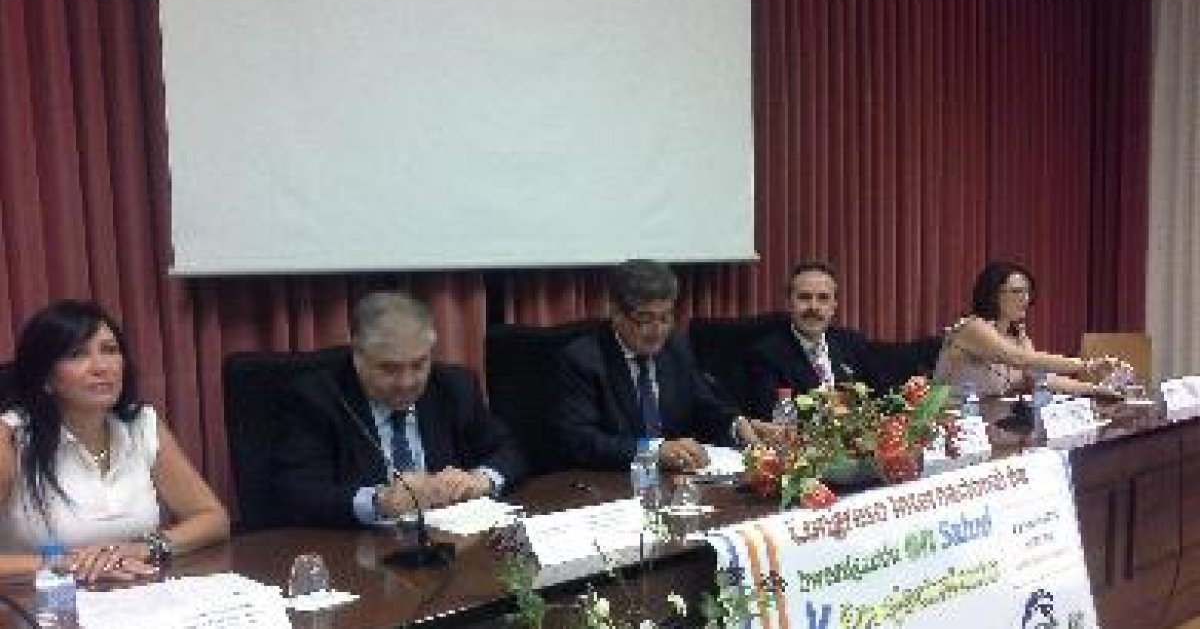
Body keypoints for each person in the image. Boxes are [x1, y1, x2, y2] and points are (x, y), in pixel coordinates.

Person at [0, 300, 229, 583]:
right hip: (42, 607)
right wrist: (67, 564)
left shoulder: (141, 424)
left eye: (110, 350)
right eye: (77, 354)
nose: (101, 367)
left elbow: (212, 518)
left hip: (136, 598)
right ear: (46, 378)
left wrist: (145, 548)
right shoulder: (12, 438)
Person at [271, 291, 526, 528]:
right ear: (358, 356)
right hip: (362, 555)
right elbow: (297, 492)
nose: (406, 382)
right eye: (389, 369)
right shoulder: (317, 398)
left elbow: (508, 450)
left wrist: (480, 480)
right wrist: (380, 501)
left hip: (449, 545)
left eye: (418, 365)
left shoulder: (454, 386)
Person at [553, 259, 778, 472]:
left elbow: (704, 406)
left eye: (666, 317)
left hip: (674, 481)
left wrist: (736, 426)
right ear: (615, 312)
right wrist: (654, 451)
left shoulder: (675, 347)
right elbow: (581, 441)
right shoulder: (584, 359)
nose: (658, 330)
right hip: (611, 484)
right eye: (645, 319)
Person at [934, 261, 1123, 400]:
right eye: (1016, 292)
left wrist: (1096, 390)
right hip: (955, 424)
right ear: (992, 294)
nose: (1025, 299)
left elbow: (1041, 378)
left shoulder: (1018, 336)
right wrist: (1087, 365)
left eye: (1027, 292)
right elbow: (1021, 359)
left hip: (991, 423)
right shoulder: (972, 328)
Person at [746, 262, 883, 419]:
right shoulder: (766, 355)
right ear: (789, 304)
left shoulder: (853, 344)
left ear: (833, 306)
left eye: (823, 298)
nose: (813, 307)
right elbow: (770, 417)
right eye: (804, 297)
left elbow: (880, 399)